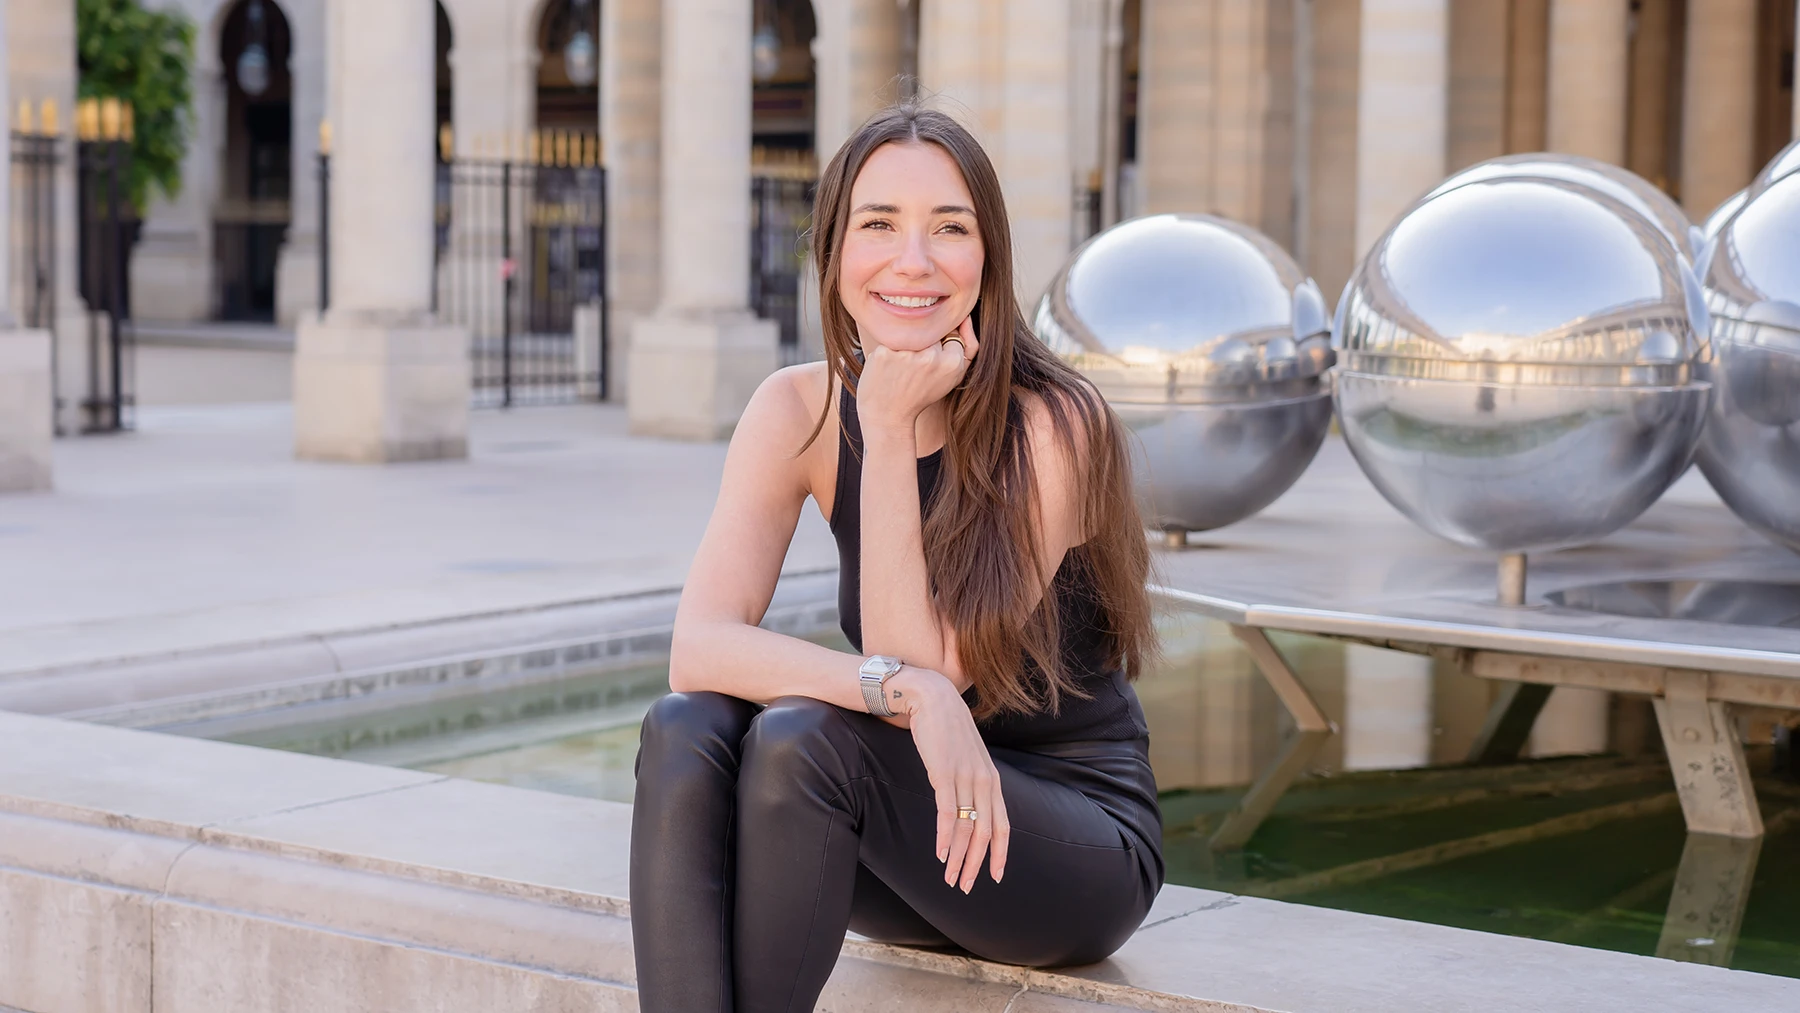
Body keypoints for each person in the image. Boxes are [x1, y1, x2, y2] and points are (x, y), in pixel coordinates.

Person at [629, 103, 1162, 1013]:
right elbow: (701, 647)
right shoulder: (791, 409)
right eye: (879, 225)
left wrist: (883, 421)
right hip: (903, 825)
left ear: (986, 257)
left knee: (804, 741)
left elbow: (927, 658)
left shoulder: (1056, 425)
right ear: (834, 251)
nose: (912, 261)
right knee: (687, 727)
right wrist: (909, 696)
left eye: (948, 228)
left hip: (1064, 845)